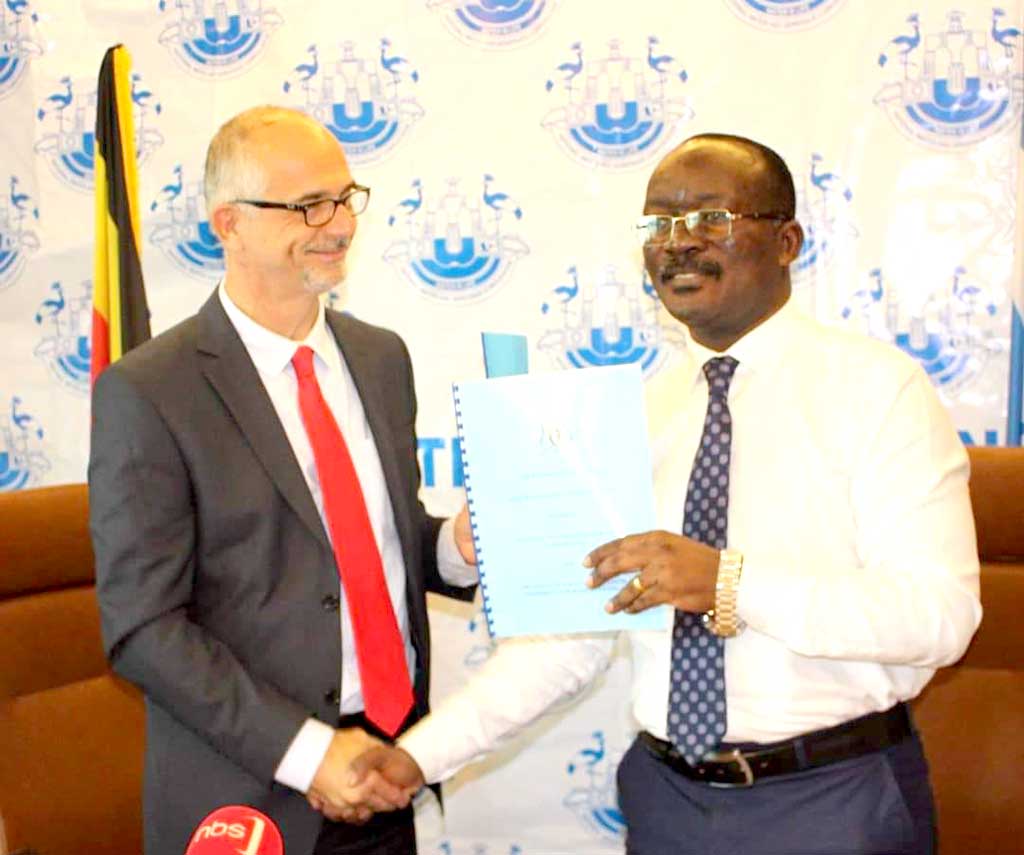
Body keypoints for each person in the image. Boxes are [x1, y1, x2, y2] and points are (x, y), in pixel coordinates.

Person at [349, 133, 982, 855]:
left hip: (831, 799)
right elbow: (570, 641)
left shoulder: (877, 390)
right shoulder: (637, 416)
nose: (676, 244)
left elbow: (940, 615)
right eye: (657, 224)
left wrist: (727, 582)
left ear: (787, 241)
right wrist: (416, 758)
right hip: (666, 802)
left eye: (710, 219)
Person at [88, 105, 477, 855]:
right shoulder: (150, 390)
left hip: (388, 768)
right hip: (247, 801)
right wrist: (308, 752)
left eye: (345, 197)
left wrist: (456, 547)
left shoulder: (380, 358)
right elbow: (143, 626)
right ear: (227, 224)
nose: (338, 224)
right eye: (306, 206)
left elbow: (372, 549)